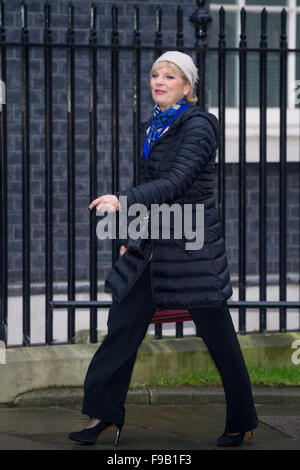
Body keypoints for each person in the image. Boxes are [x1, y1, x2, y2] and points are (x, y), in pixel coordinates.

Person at [68, 51, 258, 448]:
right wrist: (127, 237)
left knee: (219, 337)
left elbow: (176, 181)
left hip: (192, 252)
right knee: (121, 328)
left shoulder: (200, 126)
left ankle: (242, 420)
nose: (159, 81)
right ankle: (103, 415)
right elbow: (153, 189)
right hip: (152, 247)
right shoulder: (153, 127)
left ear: (187, 88)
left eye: (169, 76)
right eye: (155, 74)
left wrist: (122, 200)